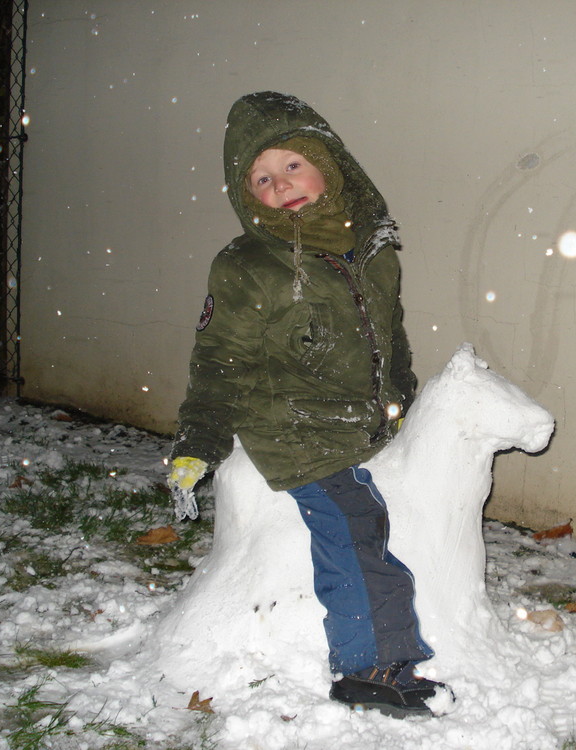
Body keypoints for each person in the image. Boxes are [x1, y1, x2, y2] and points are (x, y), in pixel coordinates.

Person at [167, 91, 451, 719]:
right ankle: (370, 666)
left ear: (328, 162)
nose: (281, 185)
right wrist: (199, 440)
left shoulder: (368, 248)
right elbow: (220, 359)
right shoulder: (246, 266)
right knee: (353, 526)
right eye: (261, 178)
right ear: (246, 196)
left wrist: (398, 397)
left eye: (292, 165)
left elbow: (389, 332)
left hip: (357, 419)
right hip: (291, 425)